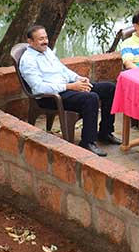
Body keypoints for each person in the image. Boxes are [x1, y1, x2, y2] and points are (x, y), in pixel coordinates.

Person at [19, 25, 121, 157]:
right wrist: (69, 86)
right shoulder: (28, 61)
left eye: (45, 38)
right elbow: (38, 88)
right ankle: (87, 142)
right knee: (91, 97)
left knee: (109, 88)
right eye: (40, 39)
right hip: (50, 97)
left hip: (67, 86)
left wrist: (77, 78)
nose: (45, 41)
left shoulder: (46, 51)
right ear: (30, 42)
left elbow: (62, 70)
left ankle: (105, 132)